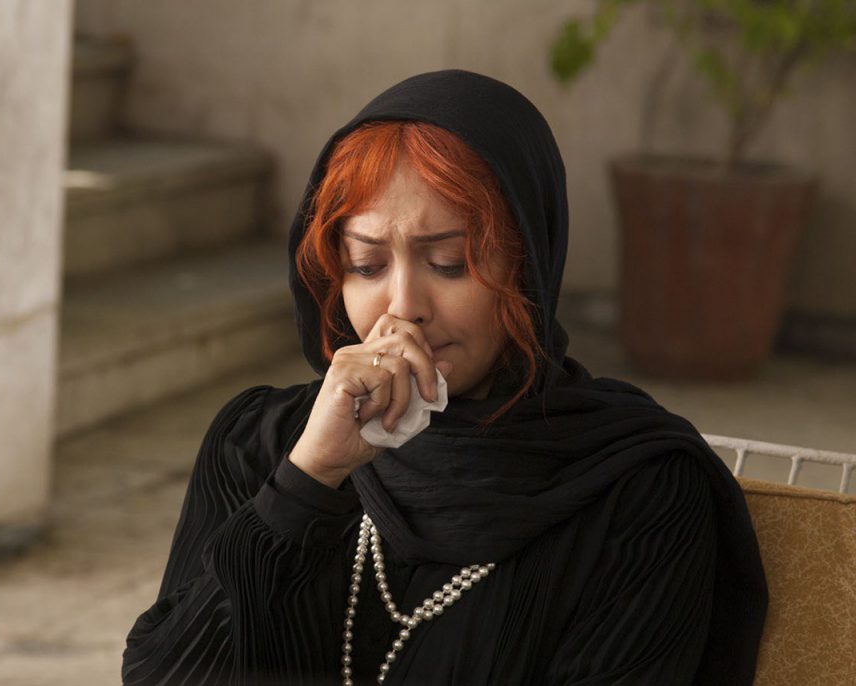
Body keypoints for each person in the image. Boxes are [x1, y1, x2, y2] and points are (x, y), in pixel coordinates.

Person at [121, 70, 768, 685]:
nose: (405, 306)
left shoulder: (636, 489)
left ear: (529, 265)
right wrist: (307, 482)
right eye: (367, 265)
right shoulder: (262, 443)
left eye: (450, 263)